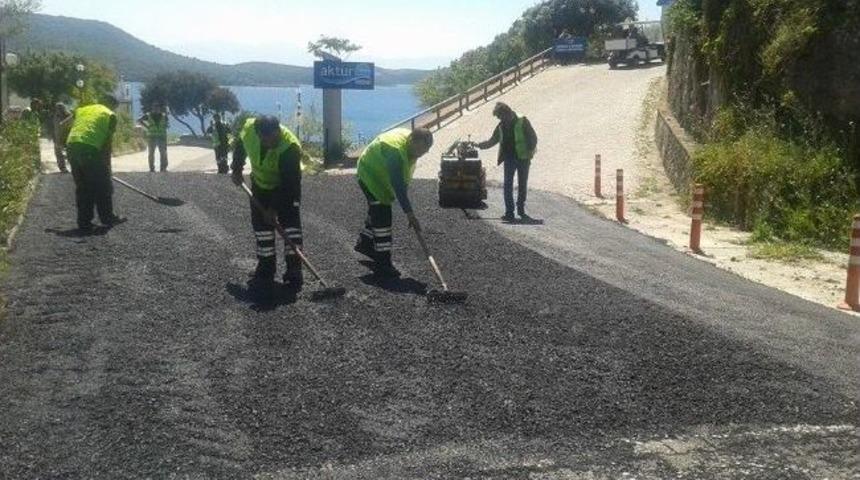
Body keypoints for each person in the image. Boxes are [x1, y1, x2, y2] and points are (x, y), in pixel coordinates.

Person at [231, 116, 304, 296]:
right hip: (260, 186)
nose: (271, 142)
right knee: (262, 230)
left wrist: (273, 209)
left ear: (278, 131)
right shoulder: (249, 131)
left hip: (286, 187)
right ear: (258, 135)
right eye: (266, 139)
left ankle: (294, 271)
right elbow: (240, 145)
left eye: (274, 137)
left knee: (291, 228)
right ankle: (266, 268)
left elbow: (289, 183)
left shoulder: (290, 148)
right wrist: (237, 168)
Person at [354, 127, 434, 278]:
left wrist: (408, 210)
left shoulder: (411, 148)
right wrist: (410, 214)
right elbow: (398, 186)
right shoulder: (395, 151)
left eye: (425, 150)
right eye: (420, 149)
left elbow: (403, 182)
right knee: (383, 217)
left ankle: (365, 243)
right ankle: (383, 265)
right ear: (411, 141)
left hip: (381, 177)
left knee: (377, 212)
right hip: (369, 174)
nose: (422, 153)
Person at [65, 95, 126, 232]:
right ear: (112, 105)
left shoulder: (83, 110)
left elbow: (68, 125)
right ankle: (107, 217)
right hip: (90, 148)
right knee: (103, 186)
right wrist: (107, 167)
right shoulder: (110, 115)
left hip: (72, 147)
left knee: (83, 187)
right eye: (115, 107)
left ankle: (84, 222)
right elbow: (107, 144)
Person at [476, 102, 538, 222]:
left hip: (523, 158)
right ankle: (509, 212)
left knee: (522, 185)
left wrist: (530, 151)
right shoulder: (501, 126)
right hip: (509, 158)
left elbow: (533, 137)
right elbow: (492, 141)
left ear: (506, 113)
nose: (499, 119)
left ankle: (521, 211)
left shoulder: (522, 120)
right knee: (507, 186)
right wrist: (478, 145)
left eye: (500, 116)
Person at [139, 108, 169, 172]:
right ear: (152, 108)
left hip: (161, 137)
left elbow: (166, 125)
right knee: (151, 153)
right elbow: (139, 120)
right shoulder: (148, 115)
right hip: (152, 137)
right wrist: (147, 127)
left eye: (157, 106)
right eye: (155, 106)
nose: (156, 108)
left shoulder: (164, 116)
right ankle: (152, 168)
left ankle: (163, 168)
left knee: (163, 153)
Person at [52, 102, 72, 173]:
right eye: (57, 108)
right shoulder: (55, 116)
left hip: (67, 137)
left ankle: (73, 167)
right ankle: (63, 168)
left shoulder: (68, 116)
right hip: (57, 138)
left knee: (70, 154)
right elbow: (54, 127)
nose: (59, 109)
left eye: (60, 108)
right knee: (59, 154)